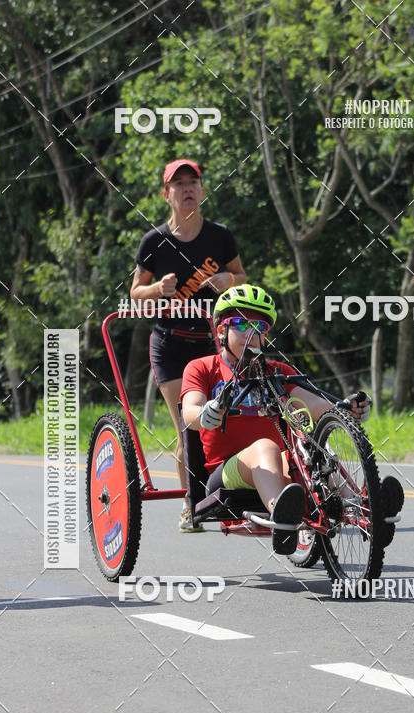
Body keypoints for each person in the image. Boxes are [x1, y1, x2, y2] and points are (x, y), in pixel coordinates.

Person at [180, 284, 372, 554]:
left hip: (277, 467)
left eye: (259, 327)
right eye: (242, 324)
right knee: (265, 447)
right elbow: (190, 411)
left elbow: (313, 405)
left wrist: (345, 409)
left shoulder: (277, 371)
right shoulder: (202, 367)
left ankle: (363, 507)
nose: (251, 334)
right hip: (225, 473)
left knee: (312, 449)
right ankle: (282, 518)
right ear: (221, 331)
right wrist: (205, 413)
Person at [130, 158, 247, 532]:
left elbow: (242, 277)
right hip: (170, 345)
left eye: (192, 182)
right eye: (178, 184)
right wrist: (155, 289)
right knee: (189, 426)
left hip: (214, 343)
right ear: (166, 195)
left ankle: (230, 493)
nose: (187, 189)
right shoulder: (154, 241)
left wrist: (228, 280)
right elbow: (135, 294)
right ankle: (190, 504)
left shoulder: (220, 235)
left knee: (226, 420)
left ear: (202, 190)